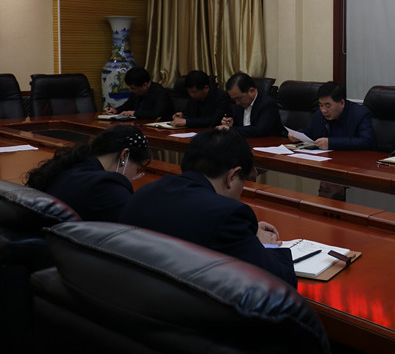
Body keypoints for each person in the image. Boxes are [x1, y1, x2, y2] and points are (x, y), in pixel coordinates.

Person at [119, 129, 297, 287]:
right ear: (232, 176)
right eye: (243, 183)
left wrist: (246, 233)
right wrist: (266, 245)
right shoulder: (227, 215)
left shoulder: (143, 194)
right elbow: (282, 284)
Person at [25, 125, 151, 221]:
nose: (134, 177)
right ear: (124, 156)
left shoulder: (68, 166)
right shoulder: (107, 187)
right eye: (137, 168)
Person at [289, 81, 375, 150]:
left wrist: (331, 143)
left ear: (342, 103)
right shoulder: (319, 113)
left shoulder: (360, 113)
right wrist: (297, 135)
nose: (324, 110)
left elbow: (366, 142)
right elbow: (311, 131)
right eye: (321, 105)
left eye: (328, 105)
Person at [217, 72, 283, 137]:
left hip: (267, 142)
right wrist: (231, 124)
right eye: (234, 99)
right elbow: (241, 127)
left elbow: (259, 130)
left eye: (238, 98)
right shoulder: (239, 103)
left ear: (251, 91)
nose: (237, 102)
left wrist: (230, 129)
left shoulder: (268, 104)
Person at [105, 67, 173, 120]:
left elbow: (157, 114)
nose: (131, 91)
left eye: (133, 88)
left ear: (145, 85)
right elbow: (128, 105)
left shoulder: (161, 93)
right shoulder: (137, 92)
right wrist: (116, 110)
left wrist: (134, 113)